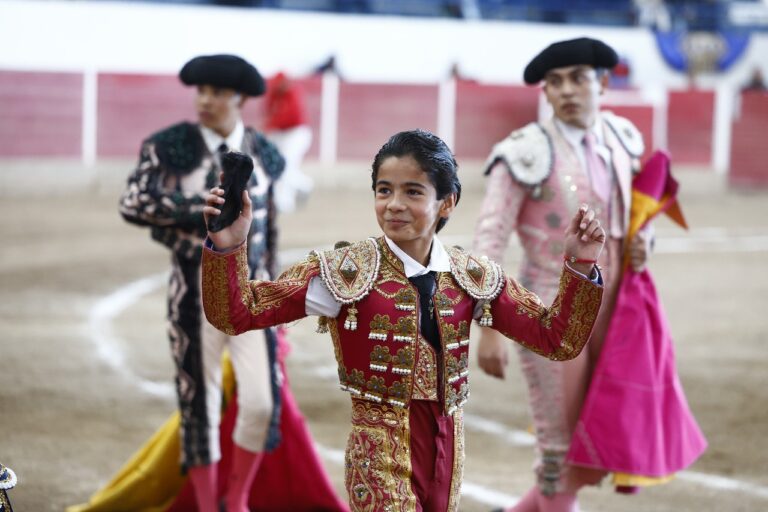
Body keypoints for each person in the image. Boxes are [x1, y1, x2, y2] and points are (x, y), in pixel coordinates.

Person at [201, 129, 607, 512]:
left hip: (448, 451)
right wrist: (229, 245)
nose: (394, 204)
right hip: (377, 451)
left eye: (412, 191)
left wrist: (581, 264)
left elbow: (558, 340)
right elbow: (236, 313)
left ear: (447, 202)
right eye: (384, 190)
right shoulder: (344, 272)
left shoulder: (472, 276)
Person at [473, 37, 651, 512]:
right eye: (555, 82)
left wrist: (644, 242)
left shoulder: (623, 139)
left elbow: (635, 217)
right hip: (549, 309)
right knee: (557, 446)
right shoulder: (523, 152)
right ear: (545, 92)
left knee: (593, 440)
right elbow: (489, 238)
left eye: (578, 78)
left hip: (615, 310)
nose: (567, 90)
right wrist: (488, 325)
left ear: (605, 83)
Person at [117, 54, 285, 512]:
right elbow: (133, 202)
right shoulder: (170, 145)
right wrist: (200, 209)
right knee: (200, 404)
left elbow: (270, 235)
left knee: (261, 403)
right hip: (192, 294)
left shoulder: (267, 153)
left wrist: (278, 300)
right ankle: (211, 507)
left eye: (215, 92)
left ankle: (240, 500)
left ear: (240, 98)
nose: (204, 100)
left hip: (252, 295)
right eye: (201, 91)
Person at [264, 71, 314, 213]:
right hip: (280, 133)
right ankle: (303, 186)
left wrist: (270, 125)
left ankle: (286, 201)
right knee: (278, 165)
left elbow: (291, 117)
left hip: (296, 132)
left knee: (286, 165)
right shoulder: (274, 93)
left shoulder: (293, 92)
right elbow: (268, 111)